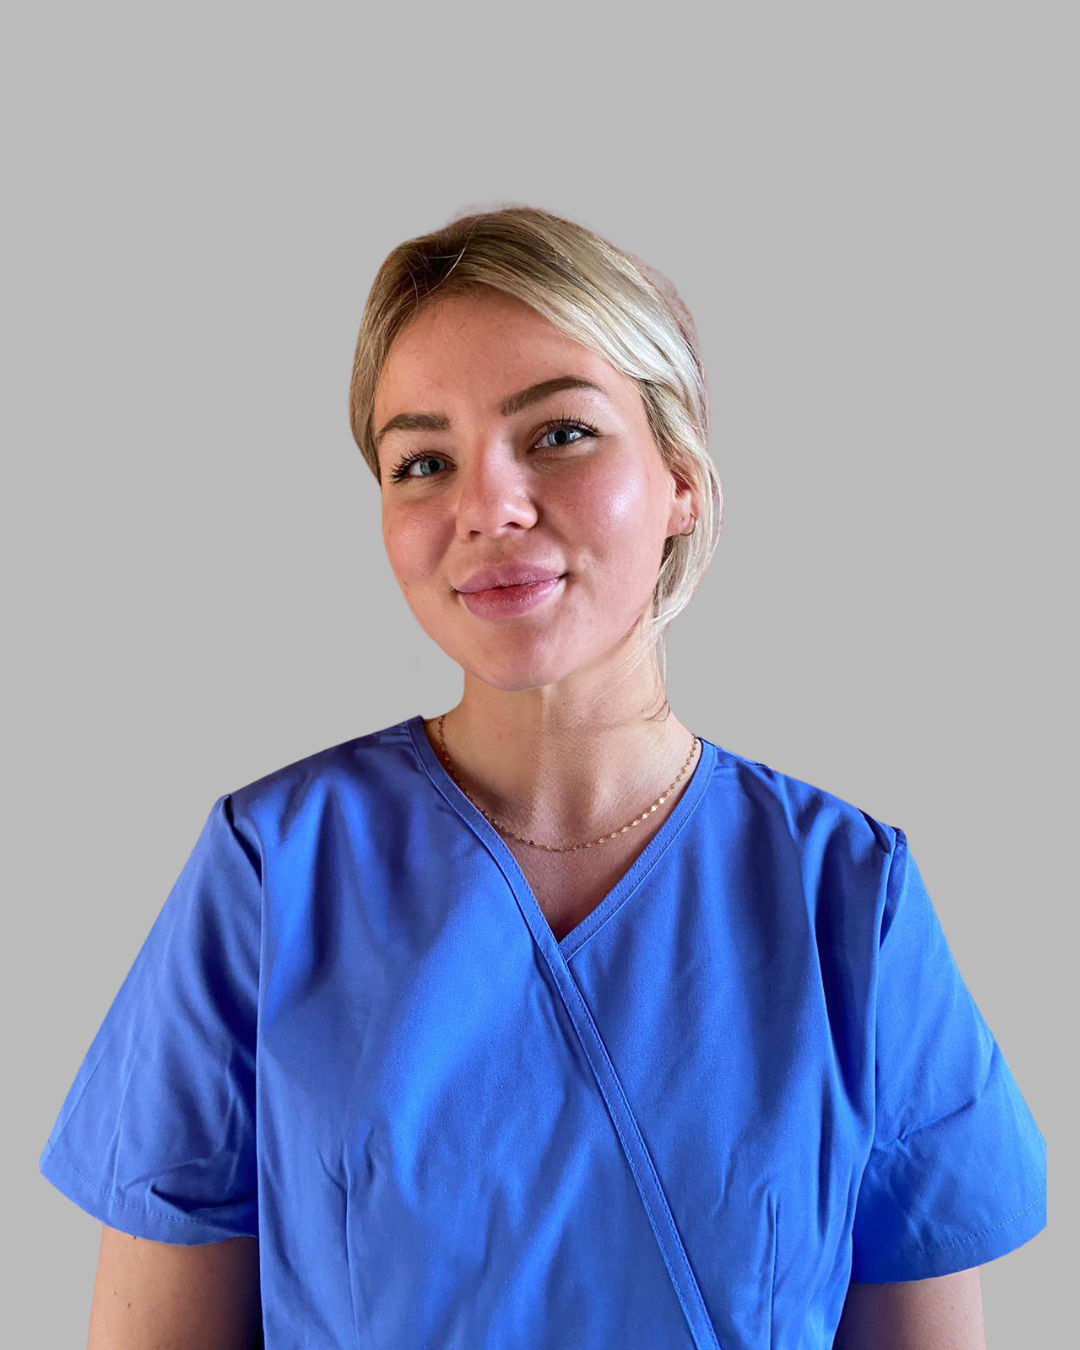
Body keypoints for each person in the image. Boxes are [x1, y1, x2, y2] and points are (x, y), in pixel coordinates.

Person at [39, 205, 1045, 1349]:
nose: (489, 508)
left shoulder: (847, 899)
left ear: (681, 478)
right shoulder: (274, 871)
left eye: (559, 434)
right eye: (423, 461)